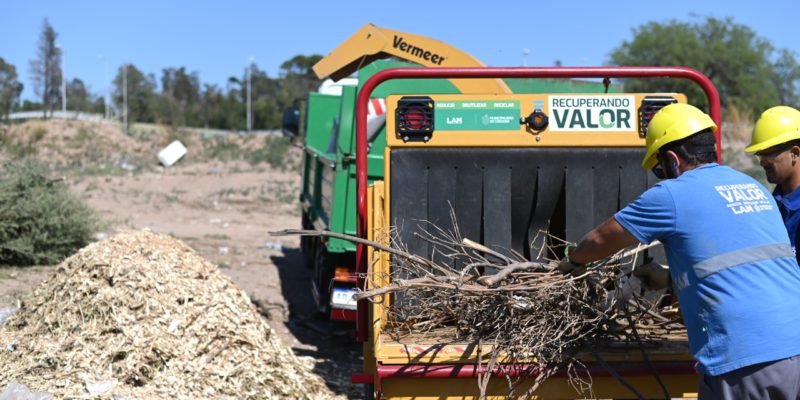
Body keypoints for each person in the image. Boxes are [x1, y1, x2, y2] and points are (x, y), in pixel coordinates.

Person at [558, 103, 800, 399]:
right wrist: (671, 279)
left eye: (660, 169)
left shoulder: (671, 194)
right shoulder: (753, 186)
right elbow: (740, 268)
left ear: (672, 160)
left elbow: (598, 241)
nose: (663, 175)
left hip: (745, 356)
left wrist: (572, 261)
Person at [744, 105, 800, 265]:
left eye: (768, 153)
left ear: (794, 153)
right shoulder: (771, 205)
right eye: (759, 154)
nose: (762, 162)